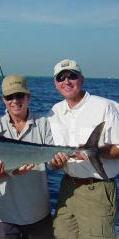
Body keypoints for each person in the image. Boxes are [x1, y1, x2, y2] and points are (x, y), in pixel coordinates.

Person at [48, 59, 119, 238]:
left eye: (72, 76)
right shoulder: (54, 112)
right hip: (66, 189)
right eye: (60, 78)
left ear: (81, 78)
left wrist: (95, 152)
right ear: (55, 84)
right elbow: (53, 156)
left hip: (97, 190)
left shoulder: (105, 106)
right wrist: (54, 164)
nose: (66, 81)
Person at [0, 74, 54, 239]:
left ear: (28, 96)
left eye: (19, 95)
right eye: (10, 97)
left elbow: (53, 163)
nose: (15, 100)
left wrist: (58, 161)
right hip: (5, 215)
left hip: (38, 213)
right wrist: (9, 172)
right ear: (3, 99)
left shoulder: (44, 123)